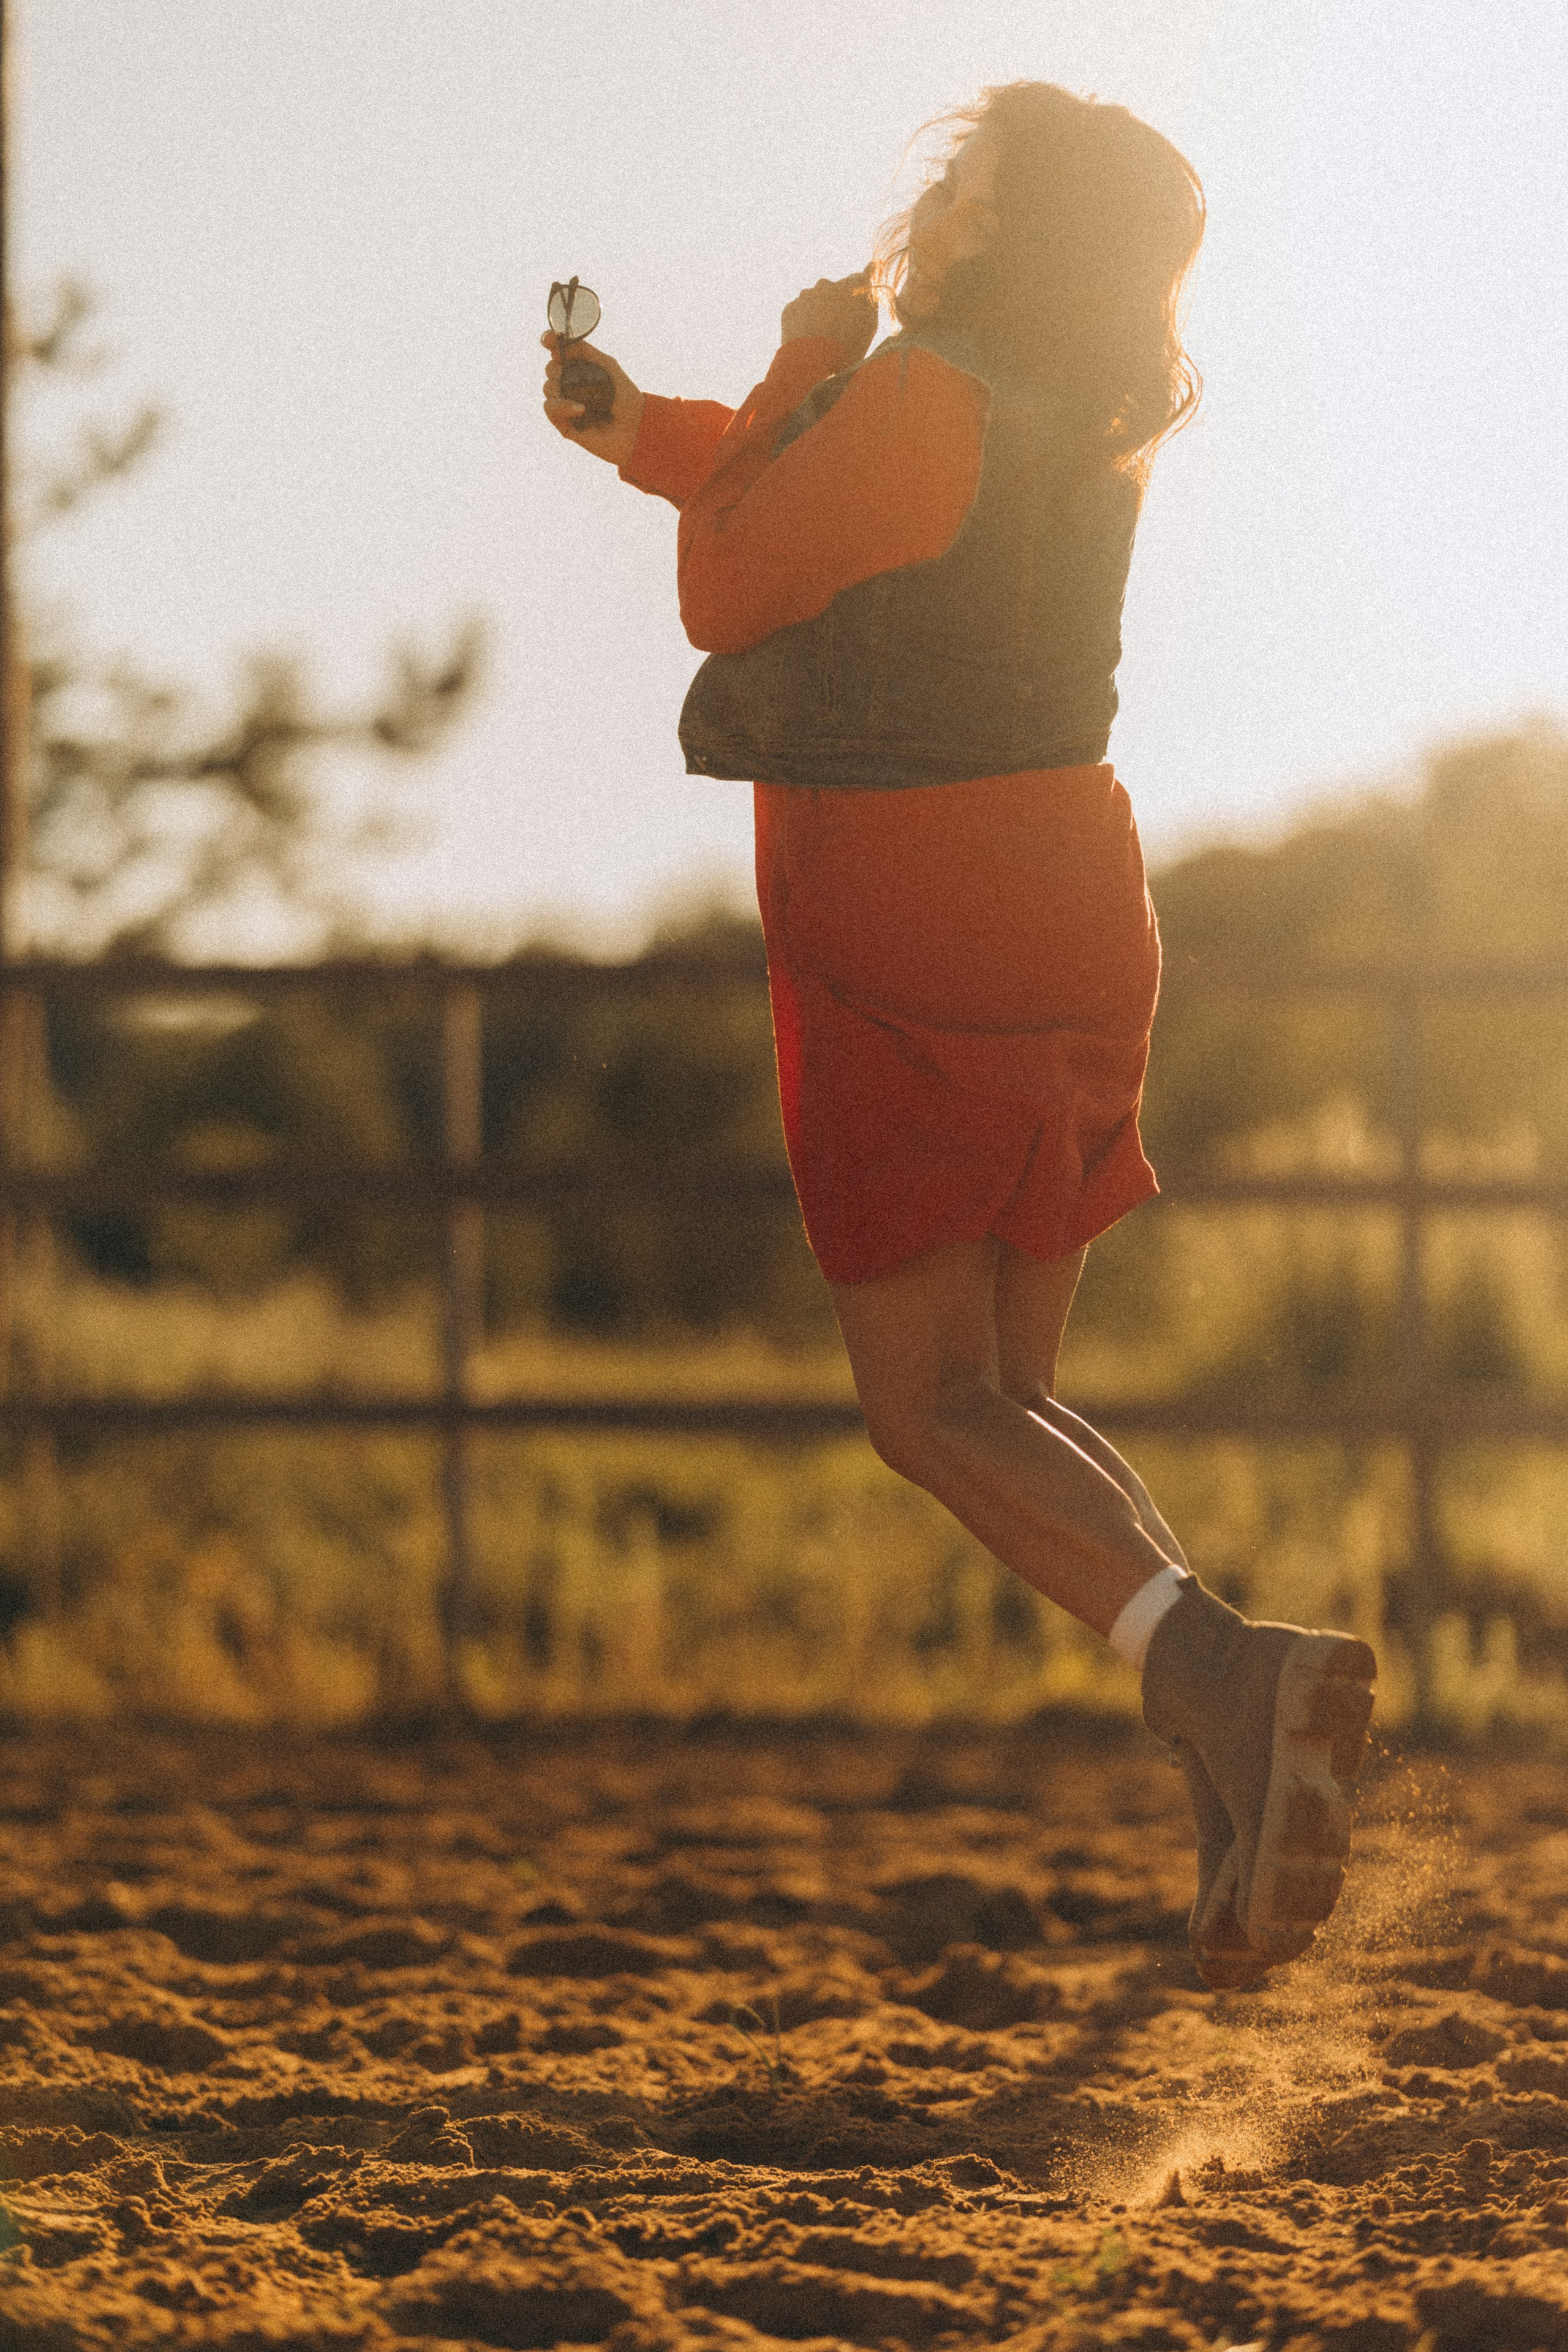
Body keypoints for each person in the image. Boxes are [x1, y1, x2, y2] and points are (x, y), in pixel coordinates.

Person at [541, 79, 1375, 1990]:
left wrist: (792, 354)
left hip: (907, 914)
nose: (935, 196)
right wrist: (639, 427)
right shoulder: (1069, 417)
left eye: (967, 178)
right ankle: (1229, 1753)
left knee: (924, 1409)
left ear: (1010, 226)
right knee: (1005, 1393)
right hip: (1073, 901)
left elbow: (734, 576)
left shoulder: (906, 383)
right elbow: (806, 493)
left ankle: (1234, 1679)